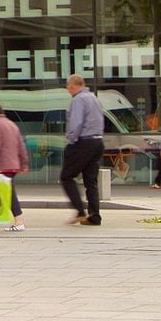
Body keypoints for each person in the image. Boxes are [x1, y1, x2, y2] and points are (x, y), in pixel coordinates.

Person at [59, 73, 106, 226]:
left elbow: (76, 123)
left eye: (67, 86)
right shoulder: (93, 98)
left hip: (83, 142)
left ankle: (80, 211)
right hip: (97, 141)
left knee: (66, 176)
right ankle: (94, 216)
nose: (67, 89)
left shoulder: (78, 99)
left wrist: (71, 140)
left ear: (72, 86)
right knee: (90, 181)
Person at [0, 102, 27, 230]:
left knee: (7, 193)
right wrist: (24, 163)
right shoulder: (12, 125)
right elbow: (21, 146)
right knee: (2, 192)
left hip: (3, 165)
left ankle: (19, 221)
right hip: (13, 165)